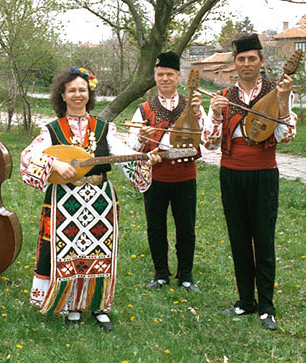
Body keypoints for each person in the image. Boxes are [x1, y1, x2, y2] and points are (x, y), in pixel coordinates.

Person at [21, 67, 160, 331]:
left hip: (100, 201)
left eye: (82, 90)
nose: (77, 95)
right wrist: (54, 165)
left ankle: (99, 305)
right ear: (62, 95)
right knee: (69, 252)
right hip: (65, 200)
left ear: (89, 94)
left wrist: (144, 159)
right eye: (71, 90)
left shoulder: (104, 128)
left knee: (99, 251)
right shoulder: (51, 129)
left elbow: (122, 153)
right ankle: (71, 304)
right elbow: (28, 157)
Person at [205, 34, 296, 331]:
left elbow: (286, 136)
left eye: (251, 59)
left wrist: (282, 101)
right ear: (234, 64)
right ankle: (245, 301)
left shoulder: (277, 90)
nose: (246, 64)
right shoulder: (223, 95)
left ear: (261, 61)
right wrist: (216, 116)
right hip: (231, 173)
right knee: (239, 237)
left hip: (264, 173)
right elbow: (209, 143)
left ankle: (267, 305)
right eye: (241, 59)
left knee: (264, 237)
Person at [126, 51, 205, 292]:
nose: (165, 78)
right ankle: (160, 273)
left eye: (170, 74)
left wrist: (199, 113)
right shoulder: (144, 109)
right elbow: (131, 145)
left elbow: (205, 137)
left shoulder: (192, 104)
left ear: (179, 76)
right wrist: (142, 136)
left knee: (186, 227)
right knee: (156, 226)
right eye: (160, 74)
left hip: (185, 175)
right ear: (155, 77)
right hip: (156, 176)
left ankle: (186, 275)